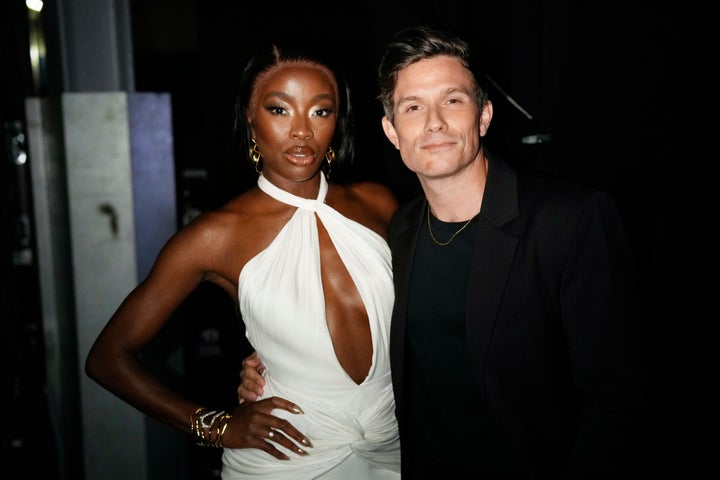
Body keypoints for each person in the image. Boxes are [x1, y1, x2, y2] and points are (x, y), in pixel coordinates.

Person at [238, 26, 649, 479]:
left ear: (484, 115)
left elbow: (618, 397)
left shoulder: (569, 220)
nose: (434, 122)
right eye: (413, 107)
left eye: (452, 100)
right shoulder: (396, 228)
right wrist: (272, 360)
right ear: (392, 131)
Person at [85, 41, 401, 480]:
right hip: (286, 460)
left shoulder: (379, 204)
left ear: (338, 122)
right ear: (250, 120)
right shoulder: (215, 235)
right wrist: (215, 426)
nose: (301, 132)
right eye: (279, 110)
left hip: (397, 447)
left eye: (320, 111)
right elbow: (107, 358)